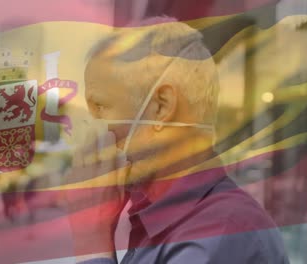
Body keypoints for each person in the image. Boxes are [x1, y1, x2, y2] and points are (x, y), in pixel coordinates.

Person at [66, 17, 289, 263]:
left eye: (101, 106)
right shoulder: (163, 220)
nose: (91, 127)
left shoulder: (218, 232)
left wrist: (91, 239)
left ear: (162, 106)